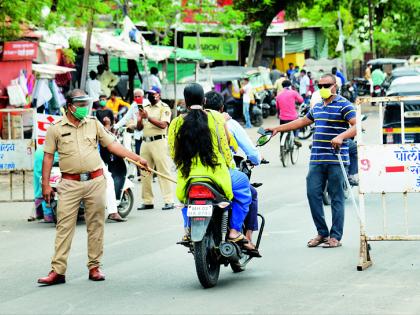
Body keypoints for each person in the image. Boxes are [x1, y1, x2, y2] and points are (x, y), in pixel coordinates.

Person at [37, 89, 148, 286]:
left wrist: (137, 158)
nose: (83, 108)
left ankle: (94, 267)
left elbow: (113, 146)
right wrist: (45, 185)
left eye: (85, 104)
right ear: (70, 106)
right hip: (69, 183)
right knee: (64, 227)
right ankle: (58, 271)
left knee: (96, 225)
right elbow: (47, 157)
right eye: (80, 104)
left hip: (95, 181)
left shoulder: (94, 123)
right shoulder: (55, 128)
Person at [267, 74, 356, 248]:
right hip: (317, 158)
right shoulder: (317, 107)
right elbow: (301, 121)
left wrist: (341, 136)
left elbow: (357, 125)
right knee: (313, 193)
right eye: (320, 85)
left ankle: (335, 236)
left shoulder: (344, 104)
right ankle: (322, 233)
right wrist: (277, 128)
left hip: (336, 159)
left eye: (327, 85)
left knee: (336, 197)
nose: (323, 88)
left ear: (335, 86)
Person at [168, 83, 251, 245]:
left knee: (186, 200)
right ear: (204, 100)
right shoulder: (216, 118)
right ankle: (234, 231)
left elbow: (172, 152)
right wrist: (230, 167)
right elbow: (225, 148)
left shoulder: (176, 123)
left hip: (187, 178)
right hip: (218, 176)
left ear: (185, 101)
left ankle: (188, 229)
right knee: (244, 186)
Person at [203, 90, 261, 256]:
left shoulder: (190, 122)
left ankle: (188, 230)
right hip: (222, 173)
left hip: (194, 173)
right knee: (250, 193)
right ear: (222, 108)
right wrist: (256, 158)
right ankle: (241, 234)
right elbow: (247, 151)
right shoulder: (227, 123)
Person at [136, 86, 174, 211]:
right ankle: (147, 201)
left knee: (163, 171)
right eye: (148, 93)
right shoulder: (145, 108)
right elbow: (139, 128)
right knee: (144, 172)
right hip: (145, 143)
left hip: (159, 141)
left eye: (153, 93)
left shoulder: (164, 107)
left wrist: (148, 117)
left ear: (159, 94)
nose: (150, 96)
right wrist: (140, 119)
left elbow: (163, 125)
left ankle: (169, 200)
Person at [114, 88, 149, 156]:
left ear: (143, 96)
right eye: (135, 96)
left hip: (148, 135)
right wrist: (116, 126)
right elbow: (126, 118)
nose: (137, 98)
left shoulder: (148, 104)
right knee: (138, 155)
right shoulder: (133, 106)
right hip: (138, 134)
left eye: (139, 96)